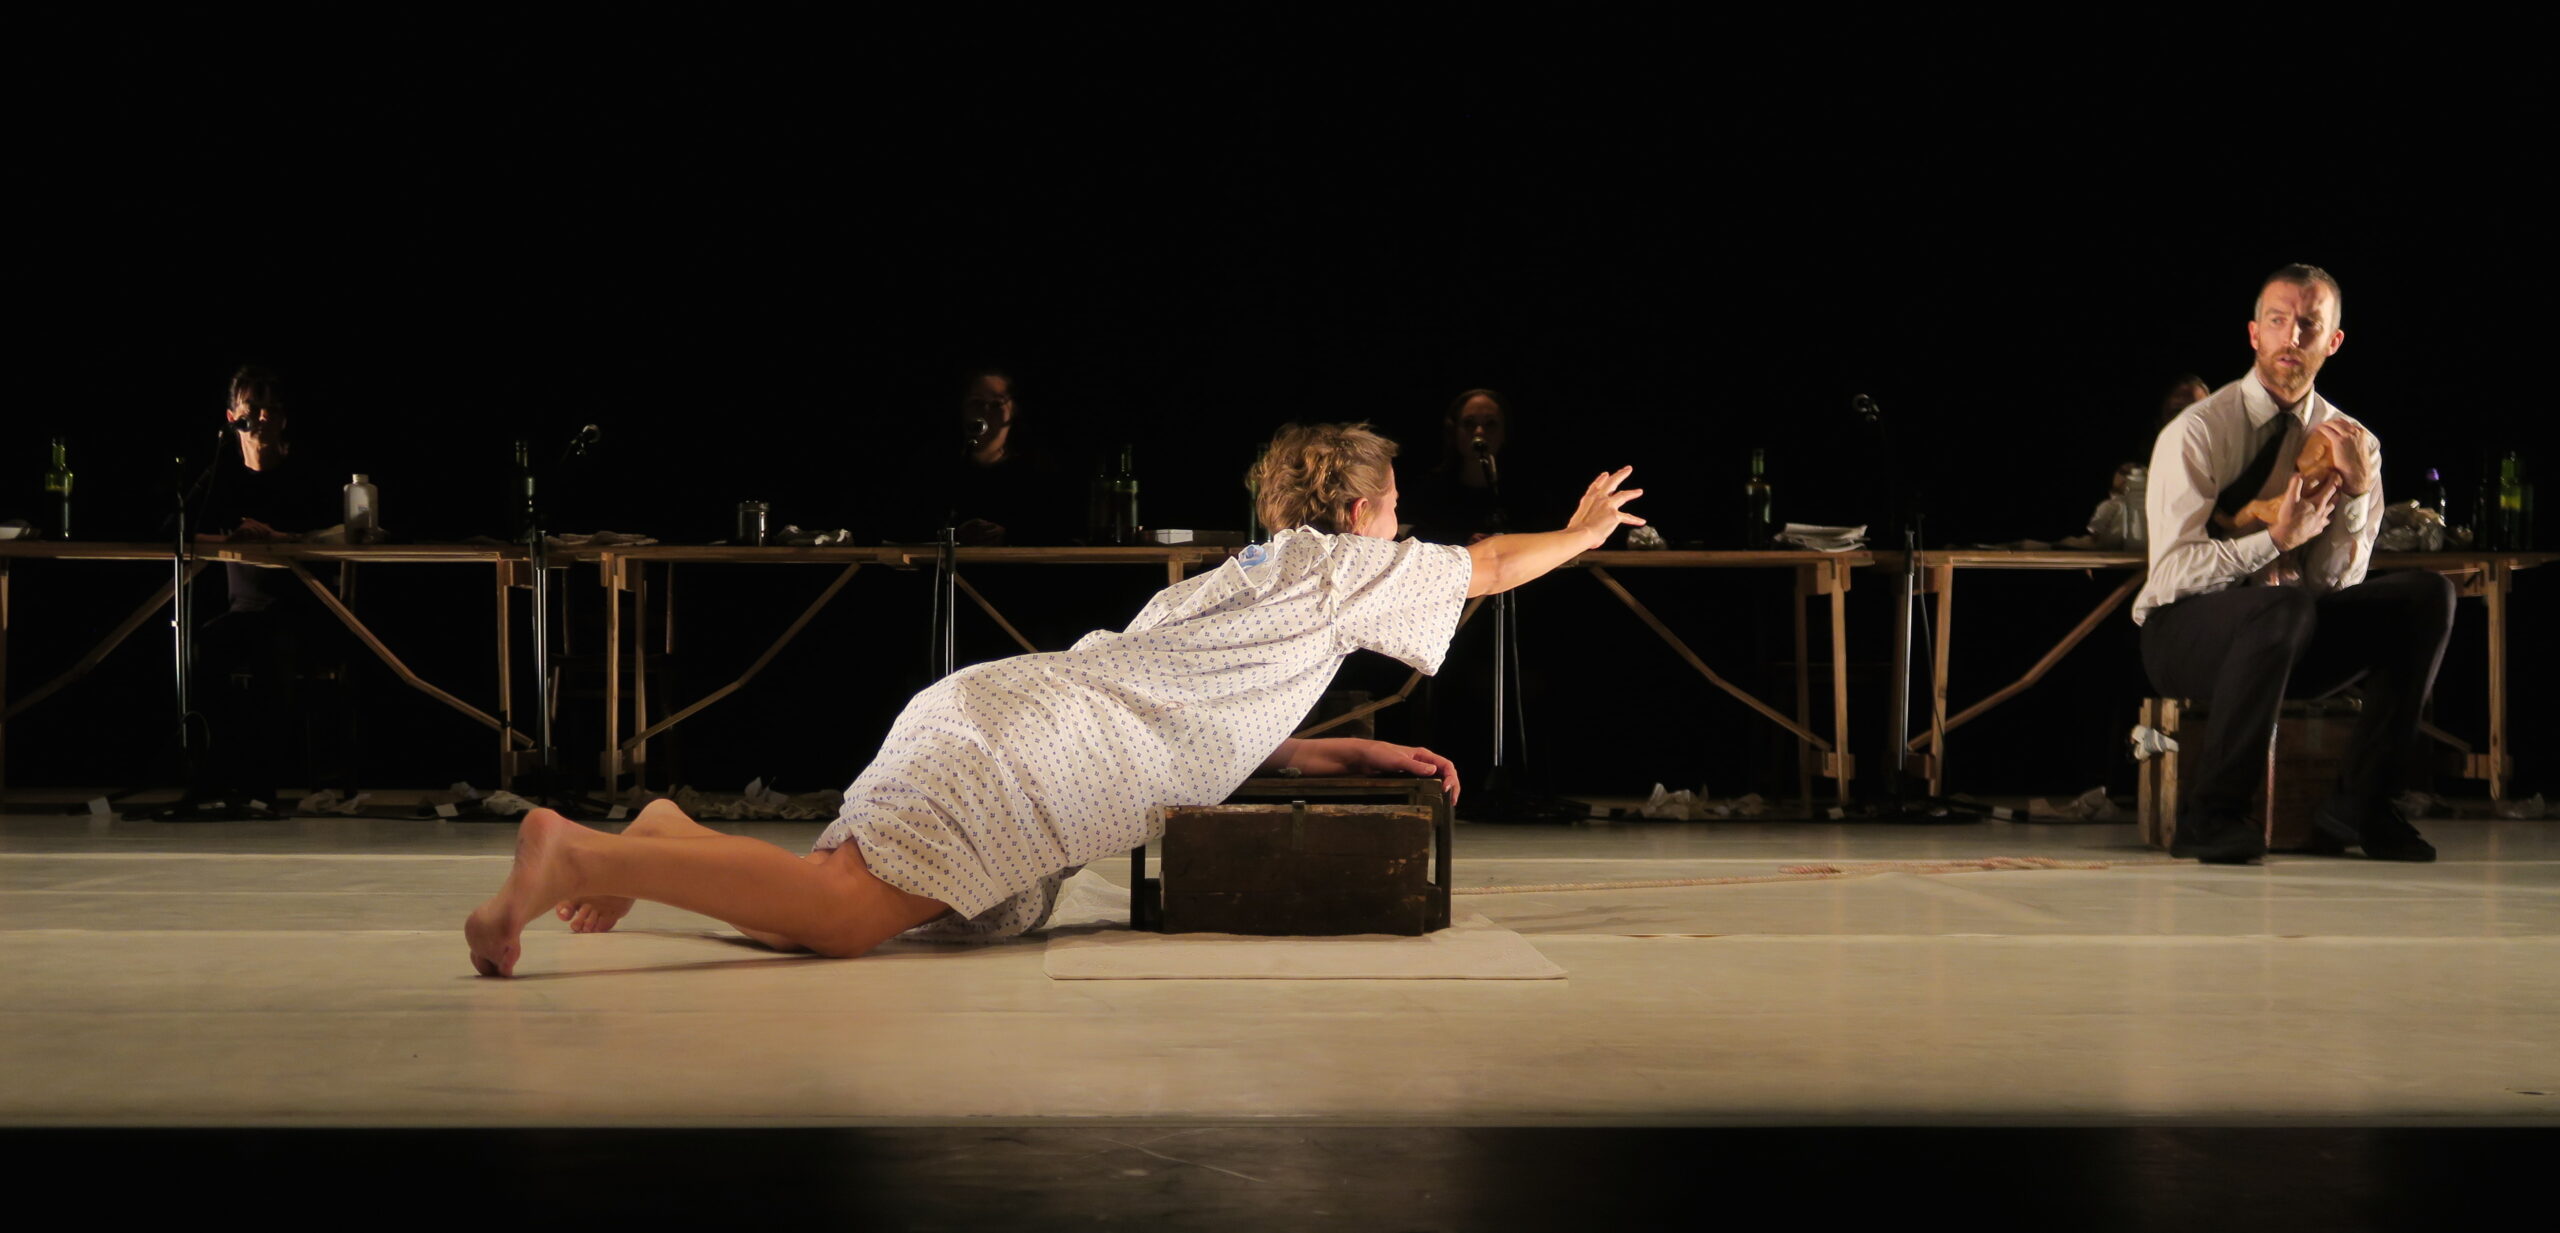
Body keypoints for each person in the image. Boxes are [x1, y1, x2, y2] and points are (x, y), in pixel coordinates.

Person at [465, 422, 1645, 975]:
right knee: (839, 919)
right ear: (1354, 513)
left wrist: (1340, 758)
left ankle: (665, 838)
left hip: (1003, 714)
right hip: (1029, 751)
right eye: (1392, 510)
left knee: (867, 913)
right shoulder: (1340, 568)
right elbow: (1486, 564)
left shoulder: (1243, 581)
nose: (1403, 530)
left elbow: (1195, 719)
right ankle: (577, 854)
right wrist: (1582, 534)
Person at [2134, 265, 2454, 864]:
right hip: (2183, 638)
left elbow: (2337, 586)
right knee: (2281, 605)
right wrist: (2274, 541)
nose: (2292, 336)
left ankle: (2360, 804)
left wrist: (2355, 495)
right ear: (2254, 333)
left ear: (2333, 341)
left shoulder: (2356, 442)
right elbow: (2170, 576)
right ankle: (2212, 815)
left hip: (2290, 636)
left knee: (2427, 596)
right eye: (2278, 321)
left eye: (2309, 324)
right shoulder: (2197, 431)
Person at [1404, 388, 1513, 544]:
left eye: (1490, 424)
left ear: (1504, 433)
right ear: (1454, 431)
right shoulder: (1429, 491)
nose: (1479, 431)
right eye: (1469, 423)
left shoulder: (1526, 490)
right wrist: (1464, 540)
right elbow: (1409, 534)